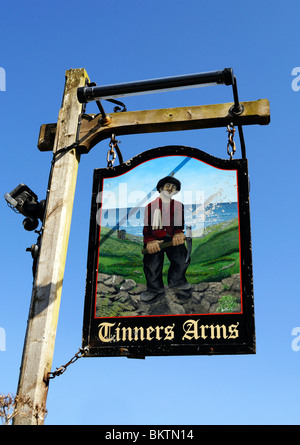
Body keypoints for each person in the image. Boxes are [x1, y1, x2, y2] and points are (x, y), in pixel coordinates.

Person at [141, 174, 191, 302]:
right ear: (160, 188)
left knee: (182, 258)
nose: (170, 188)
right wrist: (150, 241)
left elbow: (179, 225)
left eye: (173, 187)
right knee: (152, 263)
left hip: (172, 238)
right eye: (167, 186)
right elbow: (147, 229)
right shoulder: (150, 207)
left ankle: (177, 283)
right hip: (155, 239)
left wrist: (179, 233)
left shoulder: (179, 206)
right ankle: (154, 289)